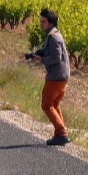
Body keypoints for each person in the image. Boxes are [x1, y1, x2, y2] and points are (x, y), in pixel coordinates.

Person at [28, 8, 71, 146]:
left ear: (51, 22)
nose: (41, 24)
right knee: (55, 104)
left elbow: (56, 57)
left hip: (56, 76)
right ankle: (59, 134)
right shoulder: (53, 35)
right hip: (61, 76)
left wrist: (42, 59)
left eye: (43, 21)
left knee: (46, 104)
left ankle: (62, 133)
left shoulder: (53, 37)